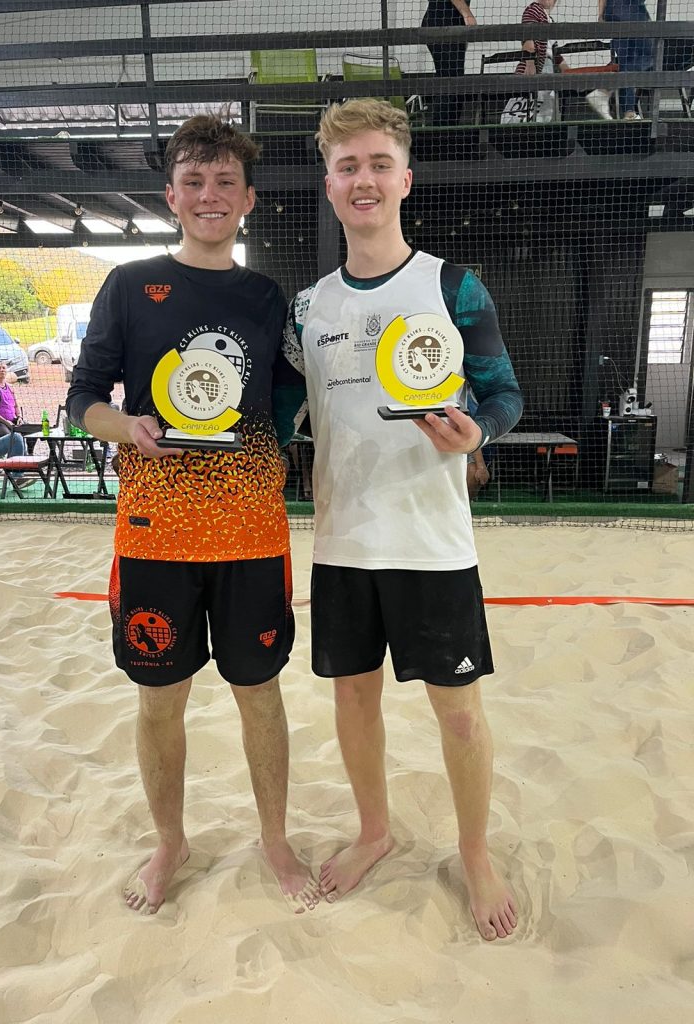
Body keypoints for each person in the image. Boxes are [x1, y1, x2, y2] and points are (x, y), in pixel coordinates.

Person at [282, 100, 523, 940]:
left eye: (379, 164)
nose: (365, 180)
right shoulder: (308, 309)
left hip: (432, 542)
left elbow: (503, 393)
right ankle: (375, 831)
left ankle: (475, 851)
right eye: (348, 166)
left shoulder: (452, 286)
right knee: (355, 700)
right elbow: (275, 415)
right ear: (329, 185)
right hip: (344, 543)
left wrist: (477, 433)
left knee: (458, 711)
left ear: (406, 179)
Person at [65, 114, 317, 916]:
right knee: (159, 699)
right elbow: (81, 400)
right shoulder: (130, 285)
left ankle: (274, 838)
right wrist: (128, 427)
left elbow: (287, 404)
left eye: (225, 182)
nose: (210, 194)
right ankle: (170, 842)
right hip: (156, 532)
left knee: (260, 693)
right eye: (194, 181)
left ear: (248, 198)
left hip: (250, 534)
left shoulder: (267, 298)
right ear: (171, 196)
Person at [422, 0, 476, 126]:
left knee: (452, 80)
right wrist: (467, 14)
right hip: (442, 22)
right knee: (450, 80)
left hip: (449, 23)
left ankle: (448, 129)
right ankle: (442, 130)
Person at [599, 0, 653, 120]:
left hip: (616, 10)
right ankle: (606, 90)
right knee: (649, 55)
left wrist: (602, 13)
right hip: (628, 8)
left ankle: (628, 112)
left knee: (626, 61)